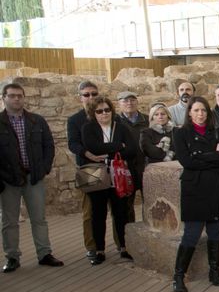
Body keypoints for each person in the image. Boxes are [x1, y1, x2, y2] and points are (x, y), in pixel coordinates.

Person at [171, 96, 219, 292]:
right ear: (189, 113)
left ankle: (214, 271)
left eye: (204, 110)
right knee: (192, 233)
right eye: (196, 110)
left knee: (216, 231)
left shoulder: (217, 132)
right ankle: (179, 275)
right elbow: (186, 161)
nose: (200, 114)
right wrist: (212, 155)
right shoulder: (180, 134)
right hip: (195, 189)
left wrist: (201, 155)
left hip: (216, 187)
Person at [0, 82, 62, 271]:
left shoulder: (36, 121)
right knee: (9, 221)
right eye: (12, 95)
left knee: (39, 218)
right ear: (3, 98)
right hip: (8, 179)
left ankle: (44, 254)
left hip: (33, 177)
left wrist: (44, 169)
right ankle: (12, 256)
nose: (16, 99)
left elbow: (48, 145)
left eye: (19, 95)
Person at [82, 95, 137, 265]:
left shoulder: (121, 128)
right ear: (93, 113)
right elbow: (93, 147)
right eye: (99, 111)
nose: (104, 113)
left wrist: (106, 152)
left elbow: (132, 149)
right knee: (98, 213)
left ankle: (124, 247)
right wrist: (119, 146)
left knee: (121, 212)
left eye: (107, 110)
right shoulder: (88, 128)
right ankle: (99, 250)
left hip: (118, 174)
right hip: (97, 174)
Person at [67, 80, 101, 258]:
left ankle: (122, 245)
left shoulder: (107, 114)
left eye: (94, 94)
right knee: (90, 210)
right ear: (79, 97)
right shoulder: (75, 120)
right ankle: (92, 247)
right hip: (88, 168)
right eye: (86, 95)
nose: (91, 97)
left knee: (118, 208)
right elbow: (73, 143)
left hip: (109, 165)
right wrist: (88, 154)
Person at [115, 90, 147, 218]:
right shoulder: (115, 122)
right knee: (126, 206)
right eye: (125, 100)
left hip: (145, 166)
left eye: (132, 100)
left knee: (150, 203)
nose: (129, 103)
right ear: (119, 103)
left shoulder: (147, 119)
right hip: (126, 167)